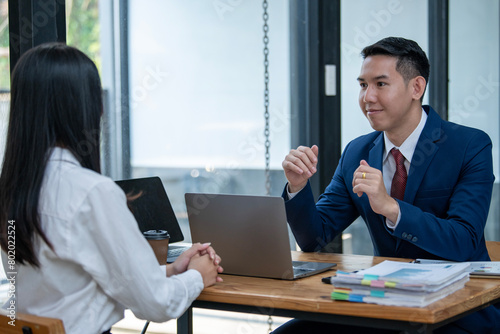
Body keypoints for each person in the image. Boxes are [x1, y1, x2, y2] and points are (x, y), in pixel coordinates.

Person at [276, 37, 500, 333]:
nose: (367, 97)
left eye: (380, 84)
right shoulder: (358, 152)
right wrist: (298, 187)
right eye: (362, 85)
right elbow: (315, 239)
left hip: (458, 308)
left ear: (416, 88)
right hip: (383, 303)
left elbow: (463, 241)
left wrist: (392, 208)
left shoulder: (469, 145)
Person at [0, 43, 223, 334]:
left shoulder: (12, 189)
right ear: (85, 108)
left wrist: (169, 270)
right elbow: (156, 305)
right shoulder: (90, 193)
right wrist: (196, 275)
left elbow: (70, 282)